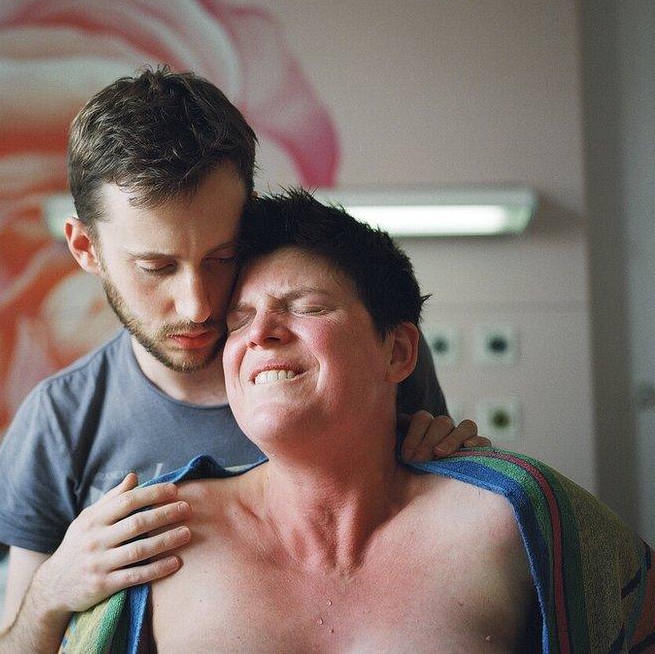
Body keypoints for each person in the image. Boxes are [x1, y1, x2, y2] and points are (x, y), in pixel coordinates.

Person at [0, 69, 488, 652]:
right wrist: (50, 593)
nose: (198, 306)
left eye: (222, 256)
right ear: (86, 249)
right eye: (158, 268)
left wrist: (458, 467)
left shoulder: (358, 367)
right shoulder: (60, 420)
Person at [61, 190, 654, 652]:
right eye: (239, 320)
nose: (262, 332)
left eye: (308, 307)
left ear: (397, 353)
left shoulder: (517, 514)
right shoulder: (154, 541)